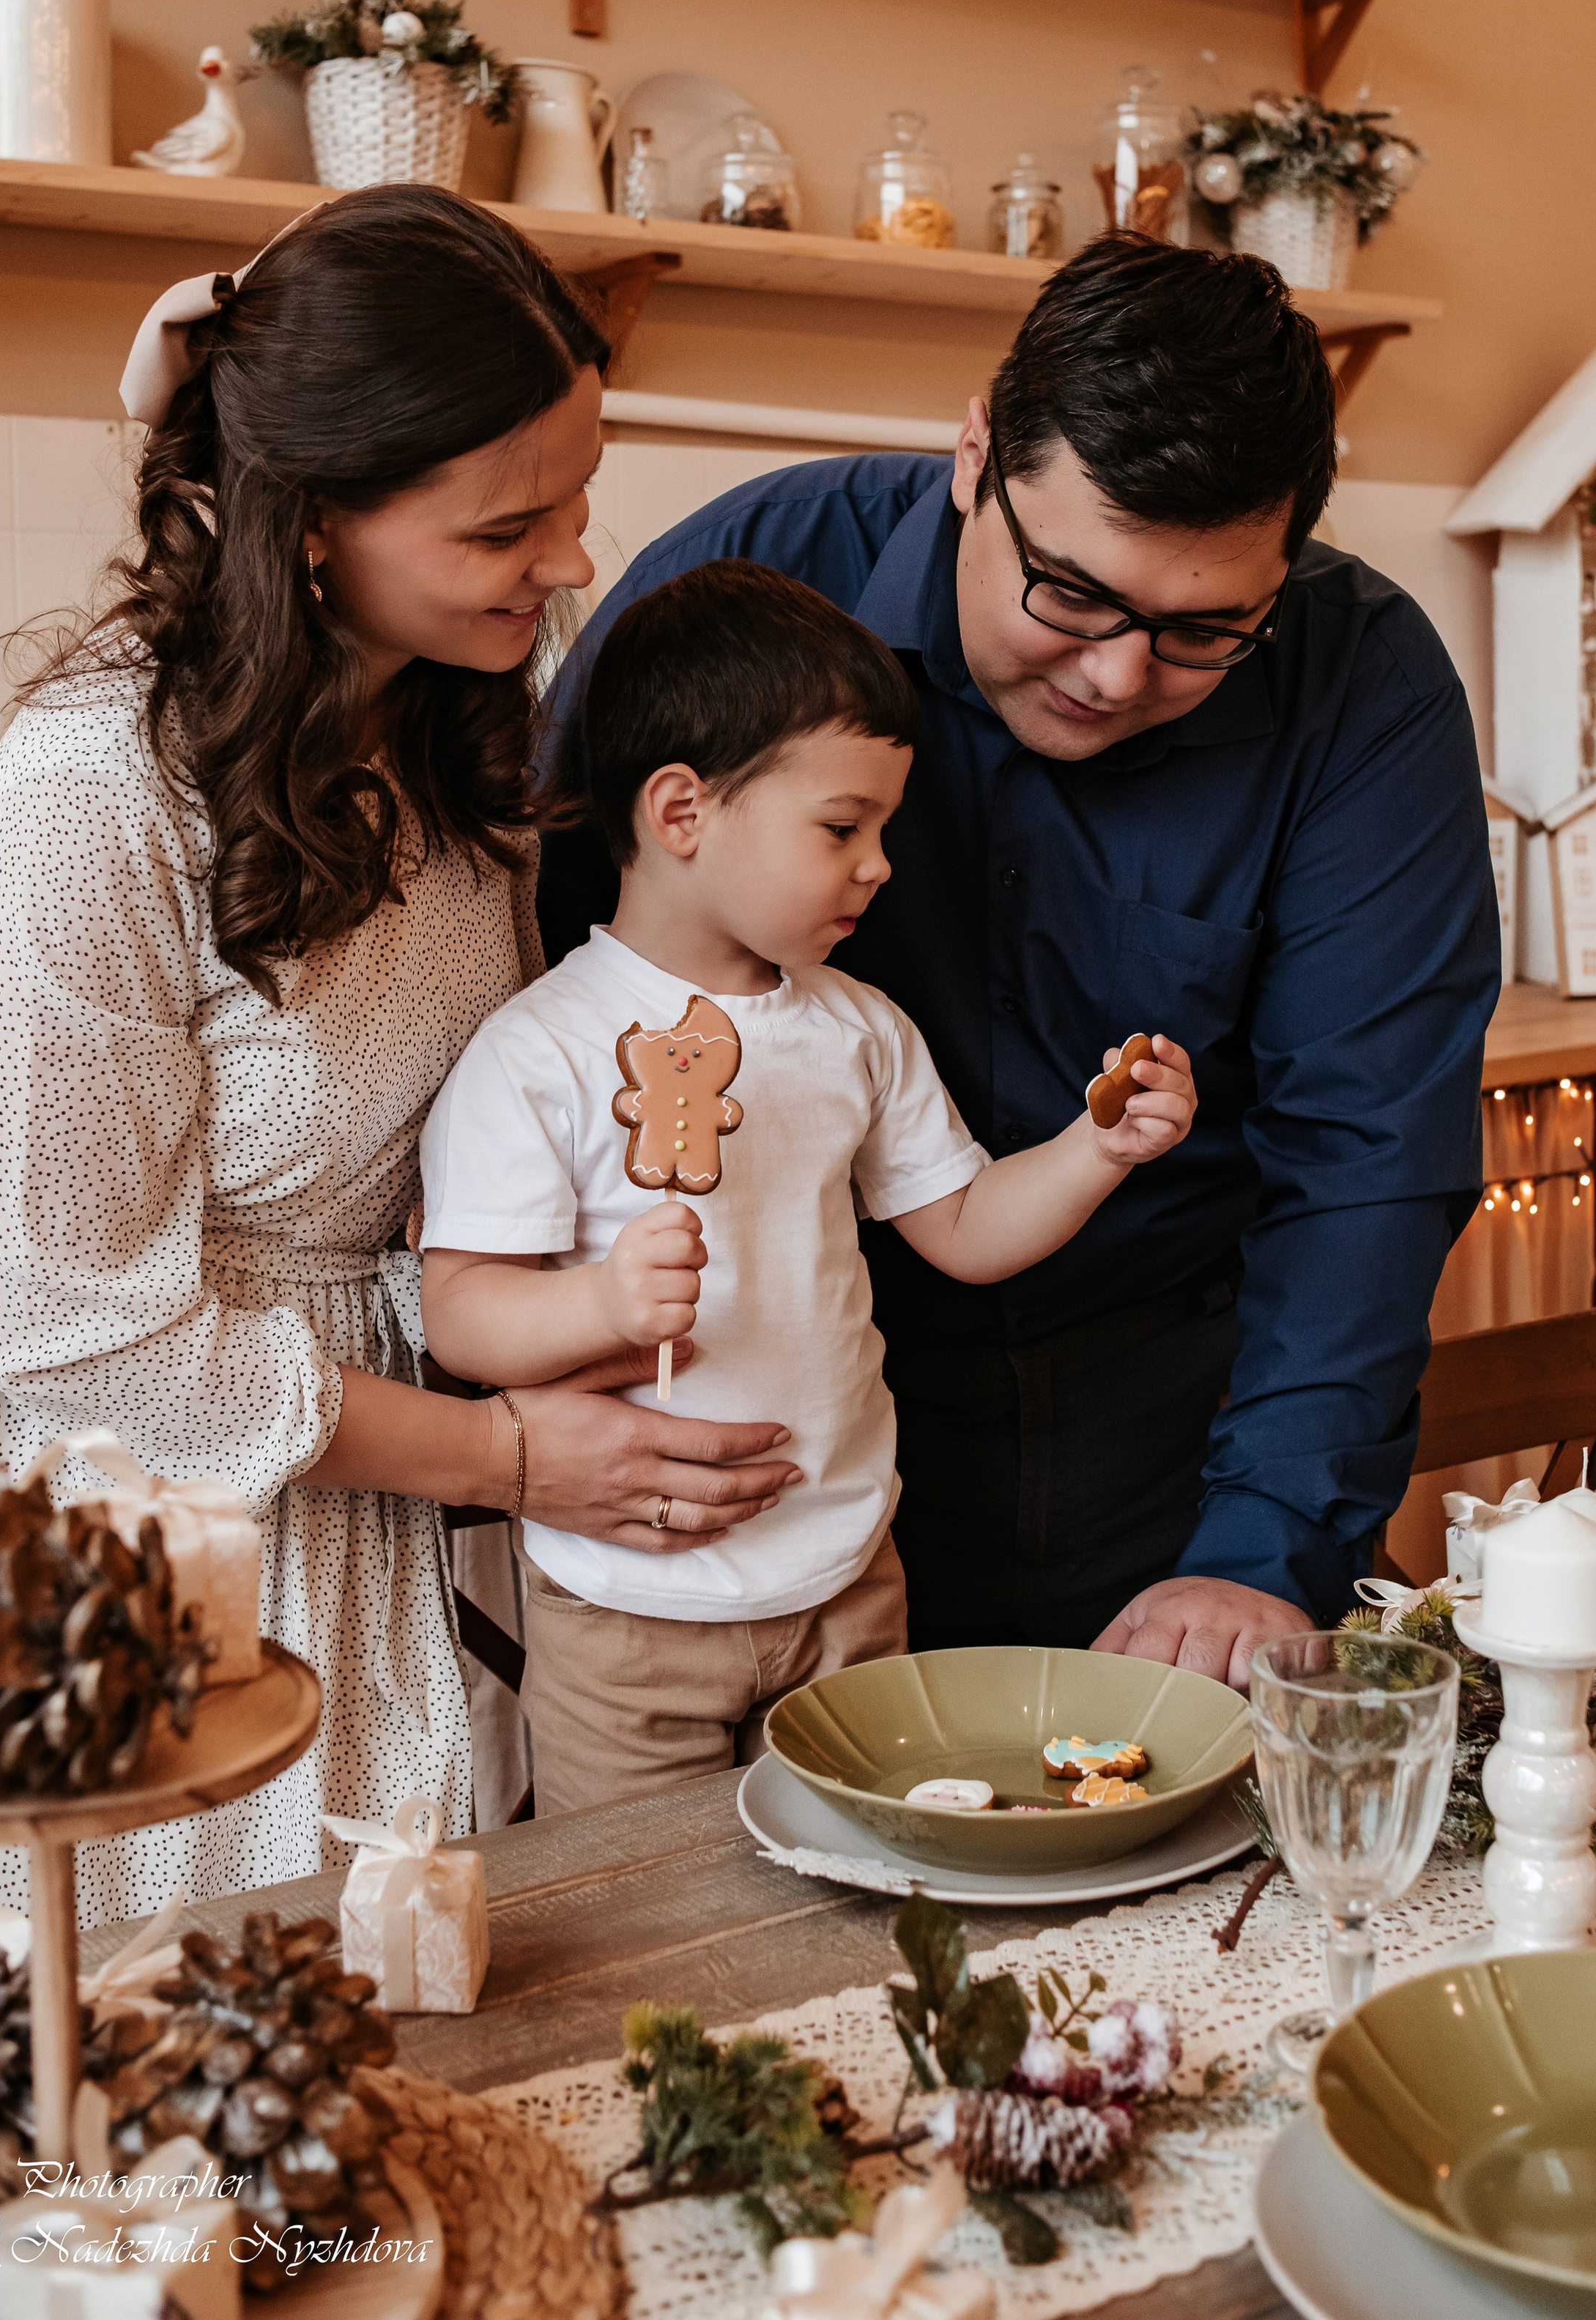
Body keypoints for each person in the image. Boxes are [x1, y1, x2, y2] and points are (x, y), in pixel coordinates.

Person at [0, 191, 801, 1976]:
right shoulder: (91, 799)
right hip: (96, 1479)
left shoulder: (457, 730)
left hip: (370, 1439)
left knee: (370, 2033)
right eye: (504, 525)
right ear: (309, 533)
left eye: (576, 495)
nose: (565, 563)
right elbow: (83, 1329)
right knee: (104, 2055)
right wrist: (514, 1454)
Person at [538, 234, 1502, 1686]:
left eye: (1200, 632)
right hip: (752, 1406)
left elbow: (1363, 1152)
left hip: (1168, 1426)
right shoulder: (738, 592)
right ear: (974, 452)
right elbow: (543, 1002)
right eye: (1068, 591)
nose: (1116, 674)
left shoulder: (1358, 680)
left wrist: (1256, 1554)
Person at [417, 560, 1196, 1812]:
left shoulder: (858, 1030)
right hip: (631, 1614)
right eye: (843, 828)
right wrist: (606, 1307)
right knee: (644, 1942)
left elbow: (964, 1227)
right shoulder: (542, 1050)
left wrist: (1095, 1152)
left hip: (848, 1580)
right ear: (681, 812)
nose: (880, 865)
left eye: (883, 828)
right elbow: (458, 1313)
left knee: (848, 1887)